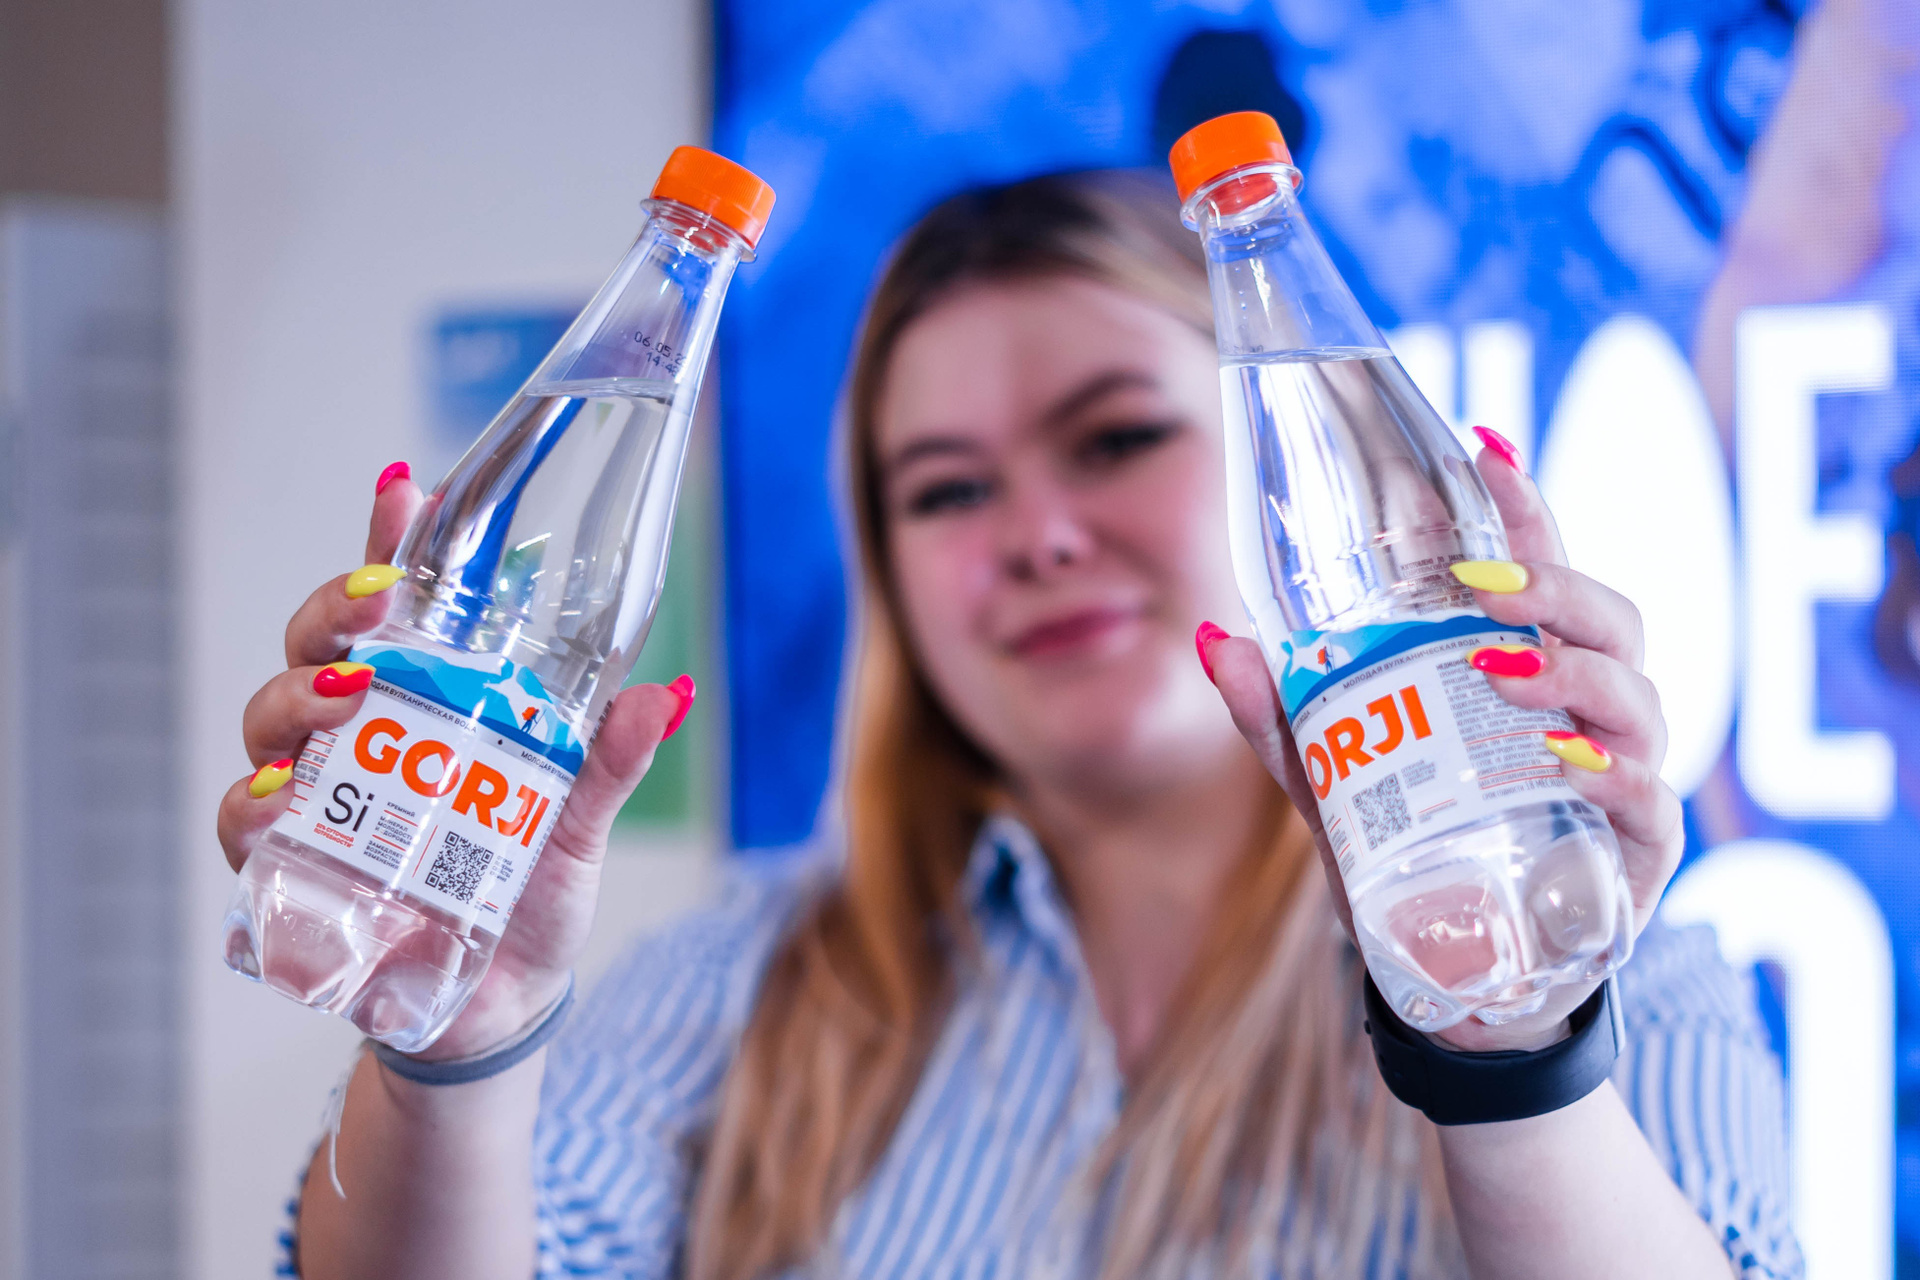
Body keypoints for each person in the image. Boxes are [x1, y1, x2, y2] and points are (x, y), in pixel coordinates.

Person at [221, 171, 1798, 1279]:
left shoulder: (1612, 978)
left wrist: (1504, 1049)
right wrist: (456, 1046)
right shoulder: (735, 990)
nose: (1037, 536)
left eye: (1113, 439)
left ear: (1301, 475)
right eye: (950, 489)